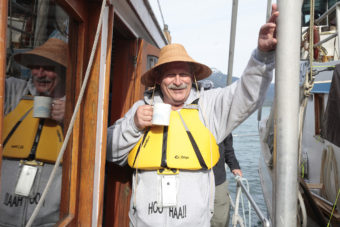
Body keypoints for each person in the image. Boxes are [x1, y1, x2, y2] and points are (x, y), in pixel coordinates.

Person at [106, 5, 278, 226]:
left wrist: (263, 56)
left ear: (193, 78)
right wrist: (134, 125)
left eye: (184, 74)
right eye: (170, 75)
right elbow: (108, 149)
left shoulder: (209, 106)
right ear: (158, 79)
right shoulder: (140, 109)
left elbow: (247, 95)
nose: (178, 81)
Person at [0, 38, 67, 226]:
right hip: (3, 216)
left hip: (49, 220)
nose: (39, 73)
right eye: (35, 67)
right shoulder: (14, 90)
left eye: (47, 67)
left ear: (63, 71)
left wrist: (70, 118)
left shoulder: (79, 105)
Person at [212, 134, 242, 227]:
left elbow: (228, 148)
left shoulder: (220, 121)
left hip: (217, 180)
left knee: (220, 219)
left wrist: (234, 165)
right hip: (190, 180)